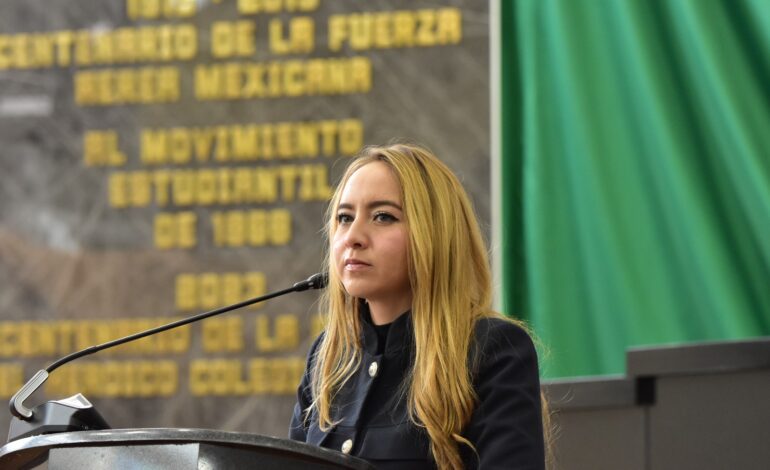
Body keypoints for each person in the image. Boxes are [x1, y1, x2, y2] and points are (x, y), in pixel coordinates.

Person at [289, 143, 546, 469]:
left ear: (434, 233)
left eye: (383, 217)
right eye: (344, 217)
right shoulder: (327, 358)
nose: (353, 237)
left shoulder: (492, 350)